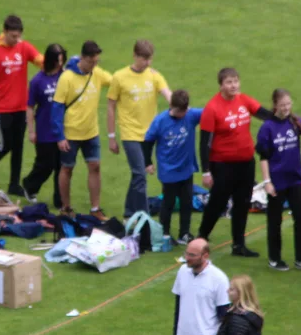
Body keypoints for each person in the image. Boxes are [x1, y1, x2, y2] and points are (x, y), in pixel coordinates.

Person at [197, 68, 282, 257]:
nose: (233, 85)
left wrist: (286, 118)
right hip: (222, 165)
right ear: (221, 85)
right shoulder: (212, 108)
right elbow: (205, 143)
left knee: (243, 203)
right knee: (217, 203)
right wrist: (206, 171)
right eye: (229, 82)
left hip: (246, 163)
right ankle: (201, 237)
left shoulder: (244, 100)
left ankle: (239, 245)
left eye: (235, 81)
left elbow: (265, 115)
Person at [254, 88, 301, 273]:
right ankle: (274, 257)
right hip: (276, 182)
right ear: (275, 105)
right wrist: (267, 182)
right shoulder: (267, 128)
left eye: (289, 104)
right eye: (283, 105)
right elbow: (263, 156)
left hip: (294, 180)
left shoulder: (295, 123)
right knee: (274, 221)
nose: (286, 108)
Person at [106, 40, 171, 218]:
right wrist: (111, 136)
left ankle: (129, 210)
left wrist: (180, 107)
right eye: (144, 59)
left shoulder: (154, 76)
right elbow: (111, 106)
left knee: (138, 176)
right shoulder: (119, 77)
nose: (148, 63)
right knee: (140, 174)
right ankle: (145, 216)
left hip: (150, 134)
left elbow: (168, 95)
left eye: (150, 59)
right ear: (135, 56)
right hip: (130, 133)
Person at [0, 15, 44, 194]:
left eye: (18, 36)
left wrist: (55, 66)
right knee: (5, 144)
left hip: (21, 107)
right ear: (5, 32)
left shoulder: (23, 47)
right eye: (12, 36)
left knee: (18, 147)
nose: (16, 39)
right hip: (2, 108)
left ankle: (14, 183)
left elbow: (40, 60)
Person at [52, 41, 114, 219]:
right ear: (83, 58)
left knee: (95, 166)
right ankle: (66, 207)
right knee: (67, 169)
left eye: (97, 62)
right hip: (70, 133)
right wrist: (60, 136)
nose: (95, 65)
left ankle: (95, 209)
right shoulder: (67, 78)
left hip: (91, 132)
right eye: (92, 62)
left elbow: (115, 81)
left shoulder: (97, 73)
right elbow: (56, 108)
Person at [145, 90, 202, 243]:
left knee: (187, 202)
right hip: (168, 171)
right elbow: (148, 141)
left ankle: (184, 233)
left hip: (186, 169)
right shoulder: (160, 121)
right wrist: (148, 162)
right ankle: (165, 234)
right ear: (171, 105)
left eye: (184, 111)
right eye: (178, 111)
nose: (182, 114)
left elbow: (211, 112)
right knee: (168, 203)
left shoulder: (191, 115)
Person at [22, 44, 67, 208]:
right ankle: (29, 185)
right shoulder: (37, 81)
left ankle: (59, 199)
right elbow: (29, 107)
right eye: (58, 60)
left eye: (62, 60)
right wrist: (31, 131)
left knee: (61, 165)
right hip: (44, 128)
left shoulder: (65, 77)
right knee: (45, 164)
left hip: (62, 129)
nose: (60, 64)